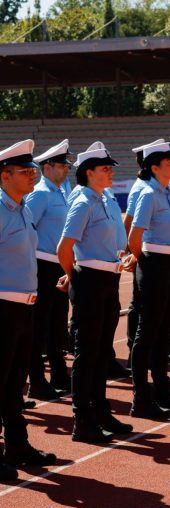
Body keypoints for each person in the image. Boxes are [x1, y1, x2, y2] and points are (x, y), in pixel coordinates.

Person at [57, 143, 135, 442]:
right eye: (105, 168)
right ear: (89, 173)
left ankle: (100, 411)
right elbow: (64, 248)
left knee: (101, 351)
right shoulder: (83, 203)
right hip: (89, 281)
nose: (111, 172)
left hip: (108, 280)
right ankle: (82, 420)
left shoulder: (102, 200)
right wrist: (72, 277)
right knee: (86, 354)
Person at [0, 139, 58, 480]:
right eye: (25, 171)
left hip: (23, 307)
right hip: (3, 307)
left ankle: (17, 445)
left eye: (33, 170)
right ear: (5, 176)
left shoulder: (21, 208)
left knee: (15, 384)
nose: (32, 176)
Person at [128, 141, 170, 419]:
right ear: (154, 167)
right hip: (153, 264)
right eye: (169, 161)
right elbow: (134, 235)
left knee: (164, 332)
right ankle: (141, 398)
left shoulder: (168, 192)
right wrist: (144, 263)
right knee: (148, 333)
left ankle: (163, 391)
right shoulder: (149, 194)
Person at [26, 140, 72, 399]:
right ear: (48, 167)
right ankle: (36, 379)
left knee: (57, 324)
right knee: (38, 326)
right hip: (42, 265)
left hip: (58, 265)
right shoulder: (41, 194)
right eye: (62, 165)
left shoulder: (60, 192)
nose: (67, 169)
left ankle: (58, 374)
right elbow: (27, 228)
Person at [124, 139, 168, 353]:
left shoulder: (165, 189)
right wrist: (134, 254)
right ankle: (134, 344)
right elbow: (130, 223)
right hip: (148, 255)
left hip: (158, 256)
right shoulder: (143, 189)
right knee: (139, 304)